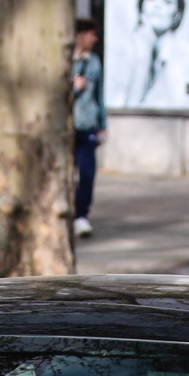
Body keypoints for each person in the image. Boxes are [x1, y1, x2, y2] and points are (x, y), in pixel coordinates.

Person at [120, 0, 189, 109]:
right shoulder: (125, 50)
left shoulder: (187, 57)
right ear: (141, 6)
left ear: (177, 15)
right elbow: (126, 113)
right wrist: (143, 59)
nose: (157, 6)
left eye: (167, 1)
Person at [70, 18, 106, 237]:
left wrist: (103, 124)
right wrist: (73, 89)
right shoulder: (64, 61)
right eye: (91, 34)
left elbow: (100, 95)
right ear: (80, 36)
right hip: (67, 128)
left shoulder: (94, 62)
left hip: (87, 125)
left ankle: (81, 215)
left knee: (87, 172)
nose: (95, 39)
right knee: (64, 175)